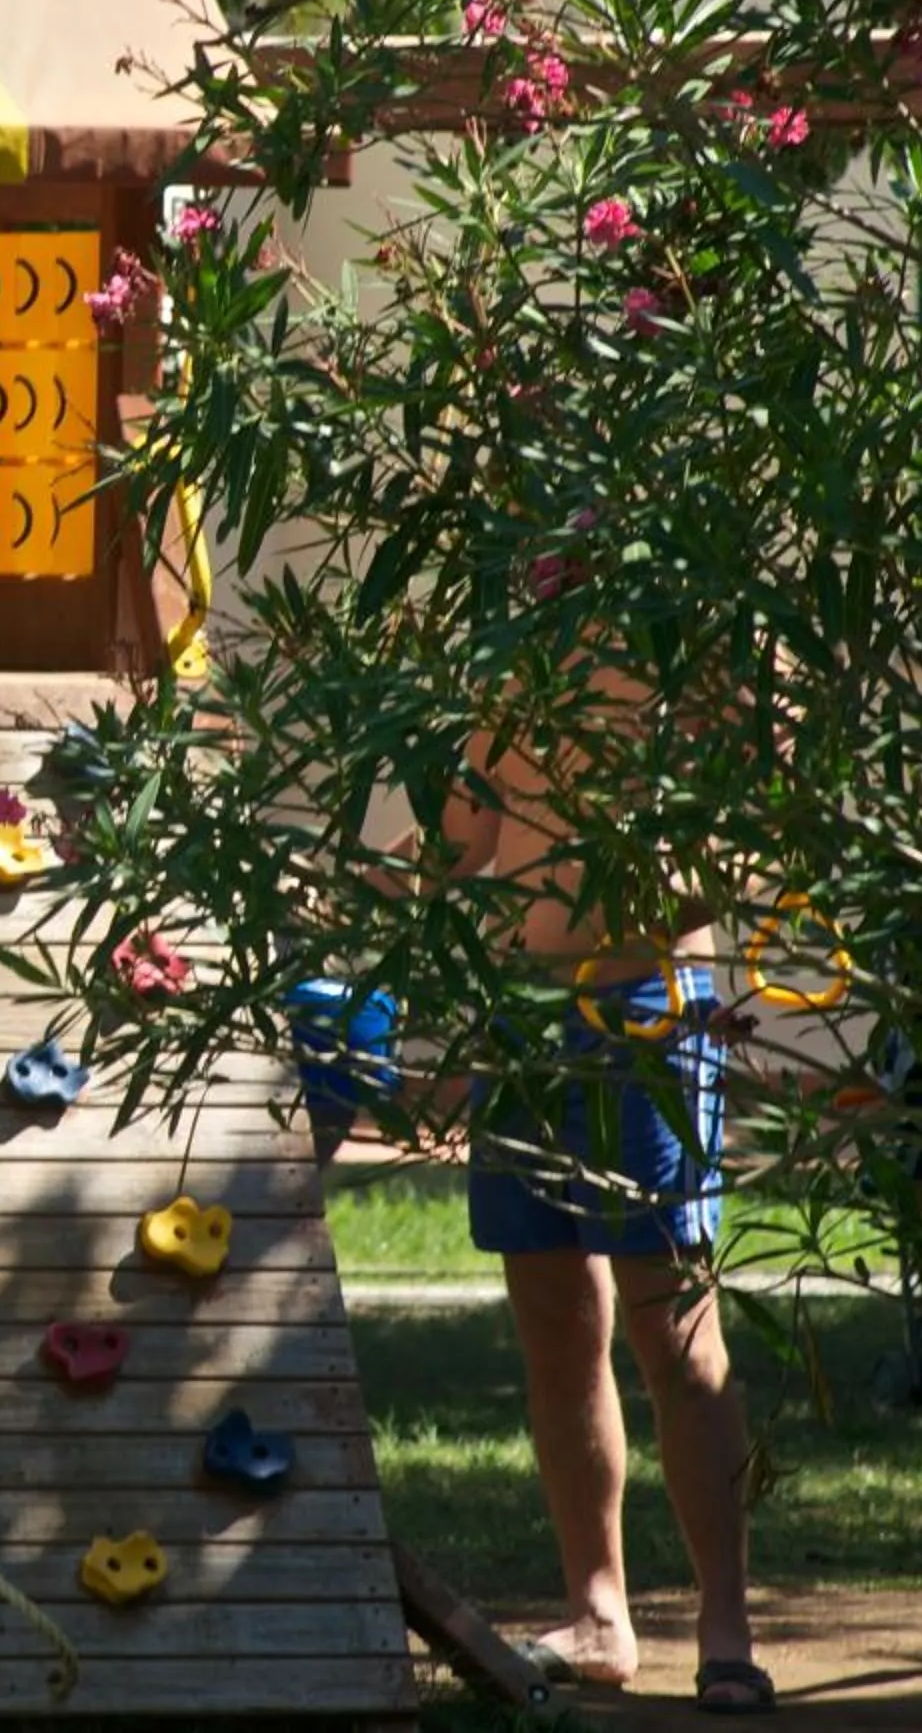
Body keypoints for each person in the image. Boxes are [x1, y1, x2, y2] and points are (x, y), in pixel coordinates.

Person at [318, 643, 773, 1717]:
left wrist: (634, 872)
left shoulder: (709, 633)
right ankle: (599, 1609)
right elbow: (467, 834)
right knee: (557, 1329)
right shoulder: (516, 642)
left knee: (673, 1327)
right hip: (521, 1018)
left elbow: (762, 840)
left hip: (647, 1016)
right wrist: (331, 885)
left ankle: (727, 1630)